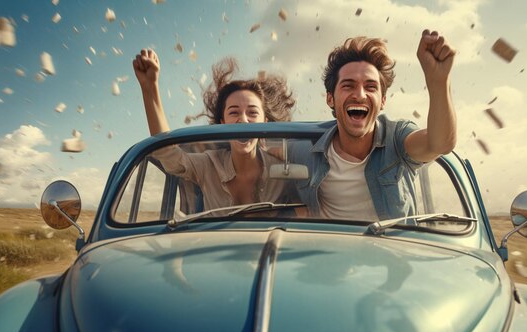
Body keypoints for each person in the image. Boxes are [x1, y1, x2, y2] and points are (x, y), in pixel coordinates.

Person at [292, 29, 457, 221]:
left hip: (391, 249)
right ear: (330, 98)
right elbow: (264, 150)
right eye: (348, 85)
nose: (360, 95)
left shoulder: (397, 139)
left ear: (383, 101)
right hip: (327, 248)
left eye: (371, 87)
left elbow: (440, 144)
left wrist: (438, 81)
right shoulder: (307, 149)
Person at [132, 49, 297, 210]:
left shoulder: (283, 169)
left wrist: (289, 151)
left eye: (253, 113)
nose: (244, 121)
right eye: (234, 112)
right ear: (222, 122)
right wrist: (150, 87)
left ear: (265, 122)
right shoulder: (209, 165)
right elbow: (170, 157)